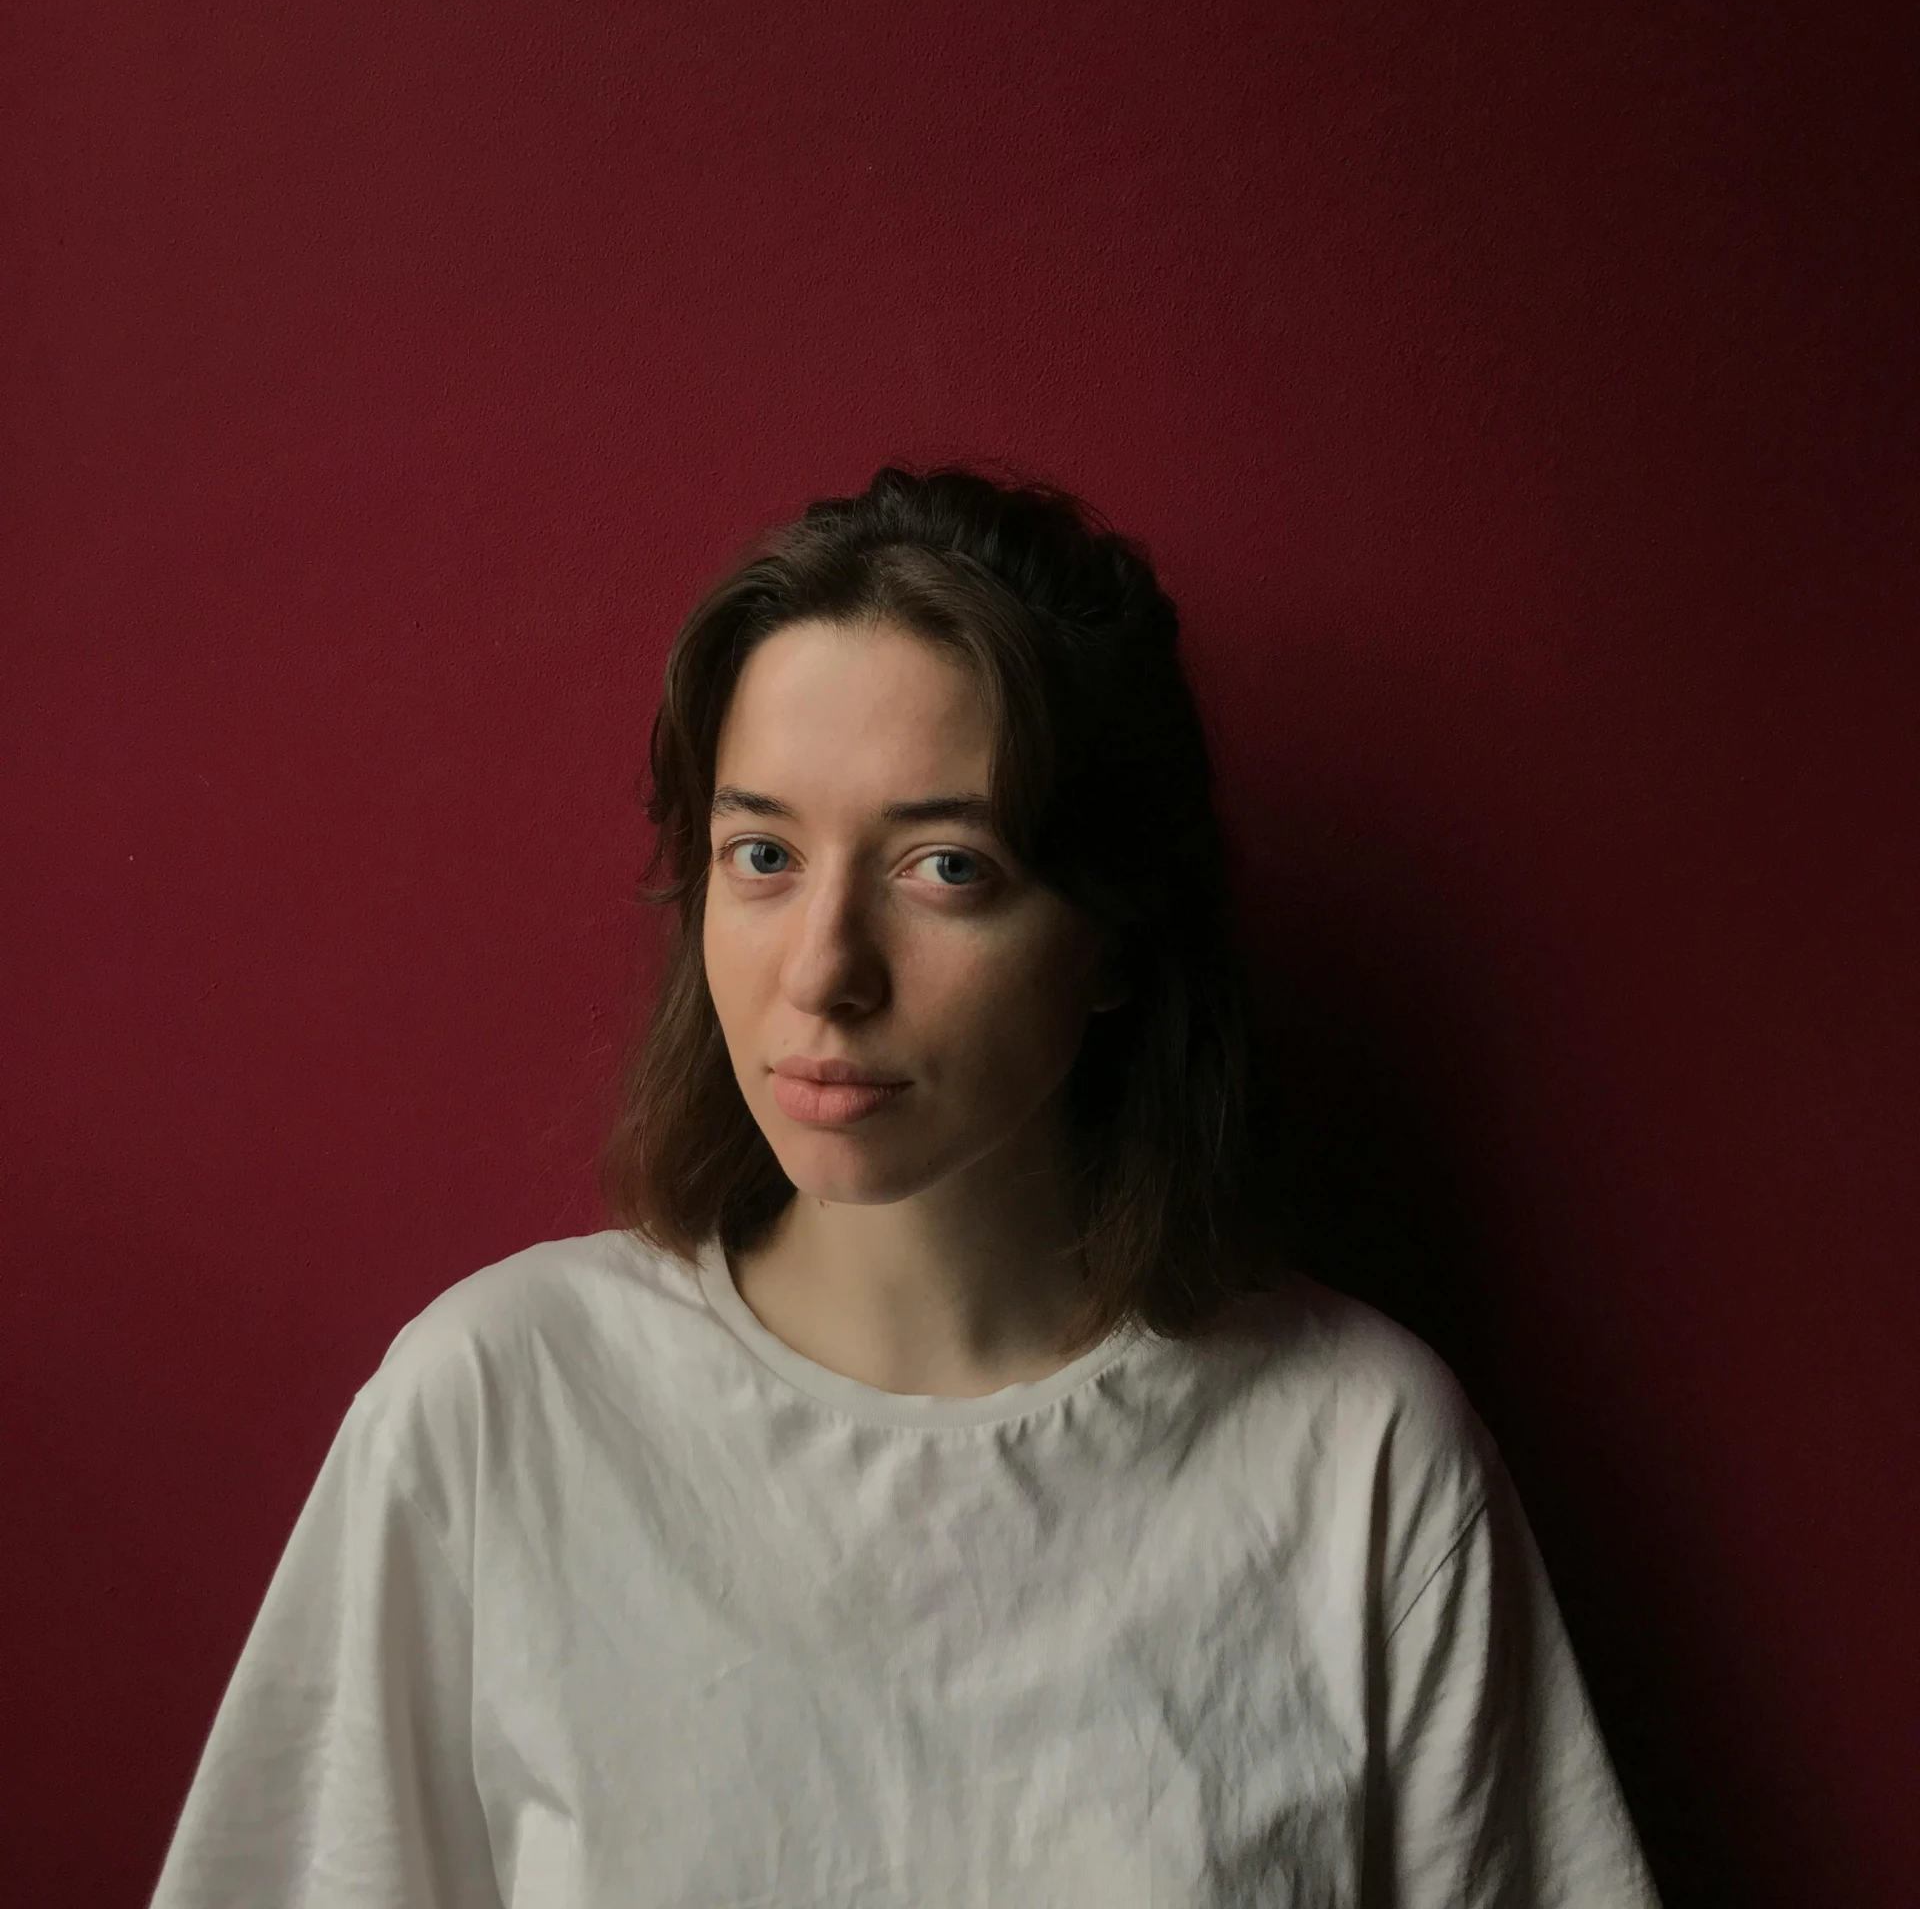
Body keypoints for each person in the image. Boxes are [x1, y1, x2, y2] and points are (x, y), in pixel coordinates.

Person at [149, 466, 1660, 1906]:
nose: (824, 973)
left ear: (1119, 936)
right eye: (761, 854)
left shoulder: (1362, 1458)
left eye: (947, 868)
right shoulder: (496, 1407)